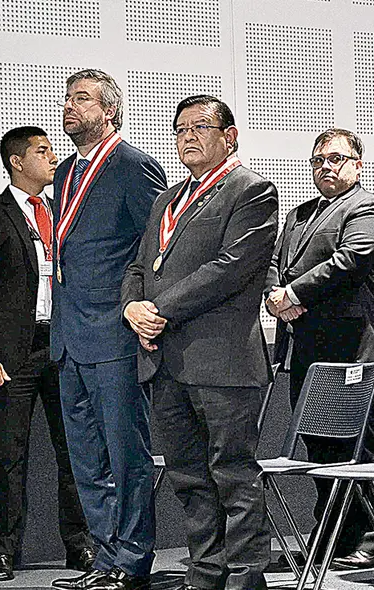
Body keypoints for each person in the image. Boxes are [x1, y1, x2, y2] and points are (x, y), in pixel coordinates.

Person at [121, 95, 277, 590]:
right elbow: (138, 266)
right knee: (190, 480)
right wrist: (132, 306)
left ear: (229, 136)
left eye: (200, 127)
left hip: (223, 363)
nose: (187, 136)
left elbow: (229, 269)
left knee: (233, 478)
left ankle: (245, 578)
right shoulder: (167, 199)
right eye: (180, 127)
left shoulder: (251, 191)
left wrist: (159, 309)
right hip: (164, 363)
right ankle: (205, 574)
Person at [0, 127, 93, 582]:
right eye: (43, 151)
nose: (54, 158)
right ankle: (1, 552)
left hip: (65, 347)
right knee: (7, 455)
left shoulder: (66, 213)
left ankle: (81, 547)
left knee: (75, 451)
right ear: (17, 161)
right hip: (12, 355)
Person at [50, 69, 166, 590]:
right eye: (67, 98)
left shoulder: (133, 167)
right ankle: (104, 560)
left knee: (127, 457)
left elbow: (155, 250)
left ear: (109, 112)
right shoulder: (64, 173)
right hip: (69, 337)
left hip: (115, 336)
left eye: (81, 99)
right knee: (87, 460)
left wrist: (142, 312)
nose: (69, 106)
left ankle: (133, 560)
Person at [264, 128, 374, 570]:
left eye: (337, 159)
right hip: (305, 346)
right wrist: (275, 296)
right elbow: (275, 267)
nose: (326, 167)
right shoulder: (298, 214)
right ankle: (333, 531)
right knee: (319, 445)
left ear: (359, 165)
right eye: (319, 160)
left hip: (351, 344)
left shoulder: (368, 206)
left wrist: (293, 295)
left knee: (358, 443)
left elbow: (353, 259)